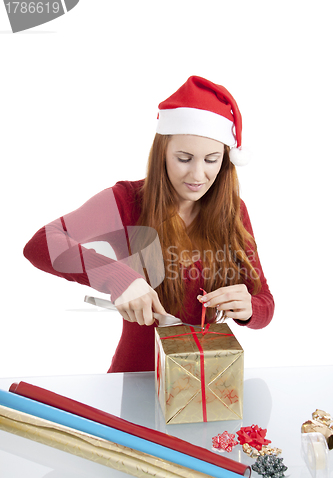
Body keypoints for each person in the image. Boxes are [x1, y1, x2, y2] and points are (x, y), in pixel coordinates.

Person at [24, 76, 274, 373]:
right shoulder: (127, 201)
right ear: (163, 154)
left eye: (211, 160)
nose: (197, 174)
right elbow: (41, 243)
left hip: (208, 387)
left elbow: (265, 304)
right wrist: (119, 277)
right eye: (184, 158)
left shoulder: (234, 212)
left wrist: (249, 308)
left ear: (226, 161)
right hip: (136, 381)